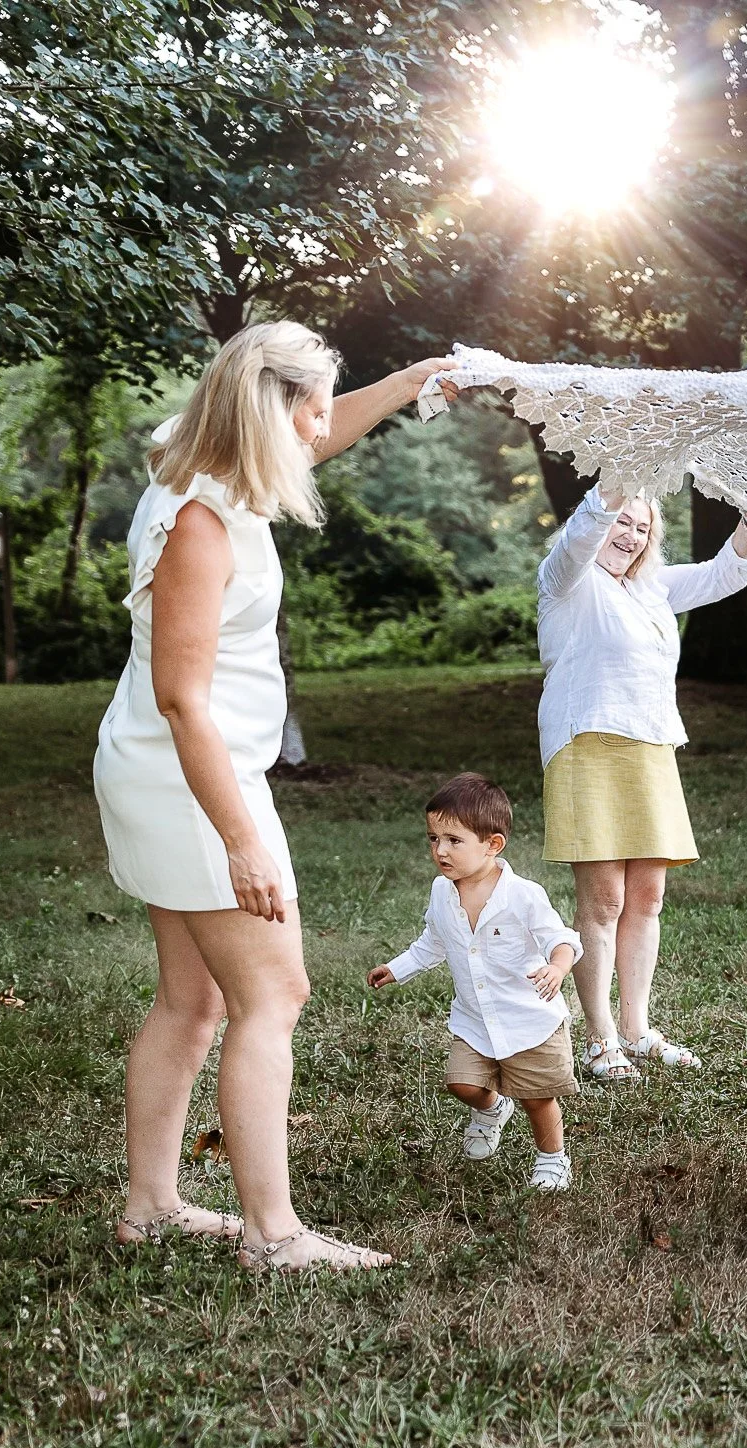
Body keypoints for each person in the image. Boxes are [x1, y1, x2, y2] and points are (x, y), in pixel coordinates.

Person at [95, 320, 454, 1271]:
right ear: (271, 414)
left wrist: (412, 379)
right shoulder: (201, 525)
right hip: (190, 778)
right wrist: (244, 841)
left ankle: (151, 1208)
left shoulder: (203, 455)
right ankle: (275, 1234)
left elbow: (320, 432)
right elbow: (183, 700)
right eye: (311, 408)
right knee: (273, 991)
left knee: (192, 998)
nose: (322, 427)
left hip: (168, 767)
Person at [537, 488, 747, 1083]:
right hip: (585, 744)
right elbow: (580, 537)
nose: (630, 536)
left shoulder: (652, 585)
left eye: (641, 527)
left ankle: (638, 1030)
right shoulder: (567, 578)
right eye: (621, 522)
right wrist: (613, 485)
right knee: (604, 903)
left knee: (646, 899)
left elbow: (725, 574)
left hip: (651, 747)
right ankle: (599, 1039)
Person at [367, 774, 584, 1191]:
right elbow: (433, 941)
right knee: (462, 1084)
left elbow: (562, 939)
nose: (440, 851)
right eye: (433, 839)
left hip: (529, 1020)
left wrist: (557, 968)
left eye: (453, 840)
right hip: (475, 1020)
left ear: (493, 844)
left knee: (537, 1098)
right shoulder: (441, 892)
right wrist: (397, 968)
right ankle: (491, 1110)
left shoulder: (523, 895)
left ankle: (552, 1158)